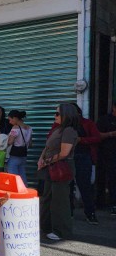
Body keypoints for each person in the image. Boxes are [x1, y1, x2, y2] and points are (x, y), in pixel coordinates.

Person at [37, 103, 80, 242]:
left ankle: (62, 231)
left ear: (66, 115)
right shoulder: (58, 129)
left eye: (57, 114)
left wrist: (47, 161)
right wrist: (41, 159)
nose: (55, 116)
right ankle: (46, 227)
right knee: (47, 198)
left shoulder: (69, 130)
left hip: (60, 168)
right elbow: (47, 146)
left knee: (59, 201)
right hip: (51, 167)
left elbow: (64, 153)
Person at [69, 103, 101, 225]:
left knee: (85, 186)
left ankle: (90, 213)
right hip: (67, 158)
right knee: (68, 186)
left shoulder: (88, 123)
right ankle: (69, 211)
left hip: (83, 157)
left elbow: (97, 138)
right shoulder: (61, 124)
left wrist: (81, 140)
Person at [96, 102, 116, 216]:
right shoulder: (105, 120)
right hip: (105, 154)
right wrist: (111, 134)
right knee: (103, 178)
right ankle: (100, 203)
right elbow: (97, 136)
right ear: (113, 108)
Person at [5, 110, 32, 185]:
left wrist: (5, 140)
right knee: (22, 175)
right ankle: (24, 193)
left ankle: (15, 195)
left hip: (15, 156)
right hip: (23, 155)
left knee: (13, 178)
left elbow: (10, 142)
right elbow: (30, 144)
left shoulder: (15, 128)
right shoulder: (29, 128)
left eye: (10, 119)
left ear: (15, 118)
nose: (10, 122)